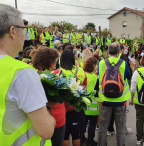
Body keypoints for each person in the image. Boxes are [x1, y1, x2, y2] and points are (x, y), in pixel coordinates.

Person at [0, 4, 56, 145]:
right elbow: (46, 130)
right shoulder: (21, 72)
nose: (25, 35)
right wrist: (48, 111)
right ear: (13, 31)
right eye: (23, 29)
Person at [98, 43, 131, 146]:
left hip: (104, 100)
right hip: (120, 100)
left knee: (103, 126)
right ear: (119, 51)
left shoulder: (101, 63)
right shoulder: (124, 63)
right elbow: (128, 76)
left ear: (108, 51)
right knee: (120, 127)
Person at [33, 48, 66, 146]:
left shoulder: (33, 75)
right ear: (50, 61)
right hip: (56, 119)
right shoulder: (57, 75)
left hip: (39, 120)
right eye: (54, 60)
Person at [60, 50, 86, 146]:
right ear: (73, 58)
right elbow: (83, 86)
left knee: (65, 134)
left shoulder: (58, 72)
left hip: (63, 107)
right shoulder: (80, 71)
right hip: (76, 106)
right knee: (76, 134)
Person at [83, 56, 99, 146]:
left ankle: (81, 139)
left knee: (83, 124)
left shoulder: (82, 75)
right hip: (93, 106)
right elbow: (97, 93)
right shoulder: (96, 78)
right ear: (93, 66)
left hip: (83, 104)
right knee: (92, 125)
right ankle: (90, 141)